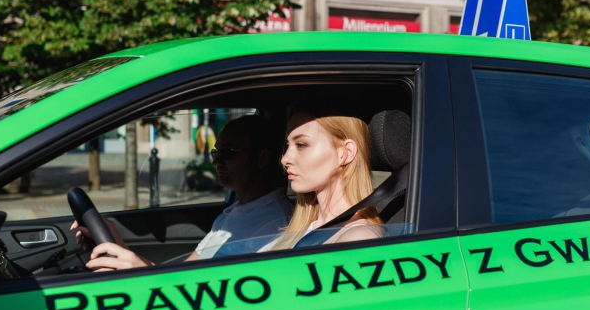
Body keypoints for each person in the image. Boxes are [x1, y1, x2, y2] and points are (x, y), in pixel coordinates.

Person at [77, 115, 293, 271]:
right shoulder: (233, 213)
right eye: (216, 152)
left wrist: (137, 269)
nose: (216, 162)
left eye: (227, 153)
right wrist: (118, 244)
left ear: (262, 159)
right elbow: (183, 274)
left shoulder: (277, 226)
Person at [267, 111, 382, 250]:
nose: (285, 159)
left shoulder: (358, 238)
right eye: (287, 145)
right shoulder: (305, 227)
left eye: (301, 145)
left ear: (346, 153)